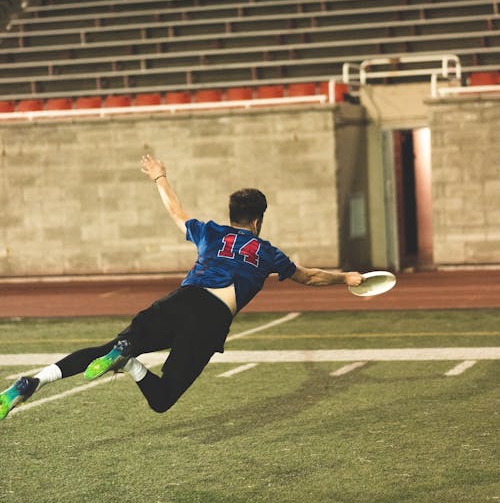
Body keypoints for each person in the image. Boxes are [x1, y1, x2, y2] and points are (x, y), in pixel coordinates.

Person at [0, 154, 364, 421]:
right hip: (210, 320)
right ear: (257, 219)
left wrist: (159, 177)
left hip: (180, 300)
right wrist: (346, 278)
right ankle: (129, 365)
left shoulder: (210, 232)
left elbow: (176, 211)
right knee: (161, 398)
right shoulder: (267, 253)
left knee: (107, 347)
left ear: (232, 214)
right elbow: (309, 276)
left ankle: (37, 380)